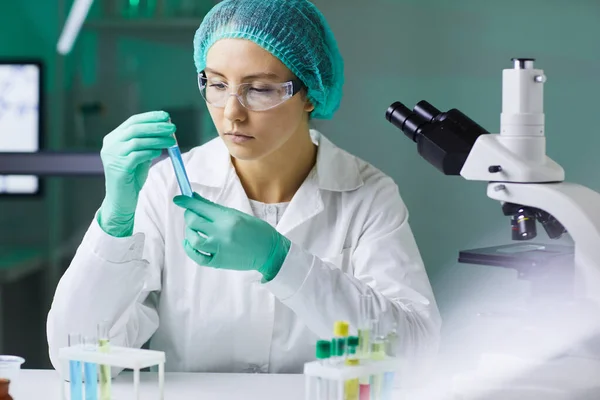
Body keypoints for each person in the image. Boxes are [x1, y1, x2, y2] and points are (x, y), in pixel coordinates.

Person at [46, 0, 441, 374]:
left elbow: (417, 352)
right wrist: (114, 224)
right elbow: (76, 355)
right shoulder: (166, 187)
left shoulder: (367, 195)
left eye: (260, 89)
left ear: (309, 94)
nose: (232, 113)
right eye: (217, 85)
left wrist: (281, 261)